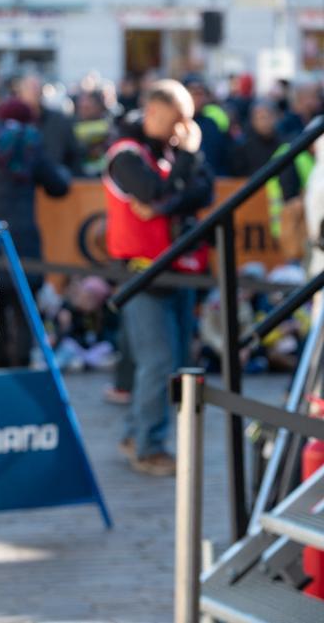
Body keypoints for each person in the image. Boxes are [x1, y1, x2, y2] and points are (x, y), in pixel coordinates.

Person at [103, 79, 213, 477]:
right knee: (157, 361)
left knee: (171, 360)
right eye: (175, 120)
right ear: (152, 114)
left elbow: (204, 192)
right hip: (140, 273)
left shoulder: (169, 151)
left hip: (176, 270)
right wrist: (179, 172)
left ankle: (137, 436)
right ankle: (148, 446)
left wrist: (171, 195)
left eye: (187, 120)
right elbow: (152, 192)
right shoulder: (125, 154)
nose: (182, 130)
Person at [0, 97, 70, 368]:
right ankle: (21, 363)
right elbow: (57, 186)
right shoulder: (30, 143)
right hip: (21, 235)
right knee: (23, 301)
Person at [15, 72, 82, 175]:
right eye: (29, 88)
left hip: (55, 180)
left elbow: (73, 152)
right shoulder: (13, 123)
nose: (34, 92)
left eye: (36, 88)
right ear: (20, 93)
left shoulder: (59, 120)